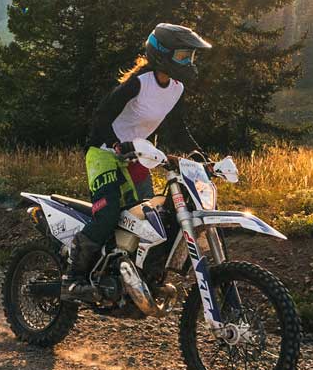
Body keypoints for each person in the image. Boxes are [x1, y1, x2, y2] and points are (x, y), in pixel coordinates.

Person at [64, 23, 211, 298]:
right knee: (108, 212)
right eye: (182, 56)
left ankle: (134, 276)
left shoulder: (176, 89)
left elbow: (178, 131)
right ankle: (73, 278)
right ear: (161, 54)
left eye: (190, 57)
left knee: (149, 219)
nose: (188, 63)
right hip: (104, 153)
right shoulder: (137, 84)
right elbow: (101, 116)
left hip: (138, 156)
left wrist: (202, 158)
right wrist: (116, 144)